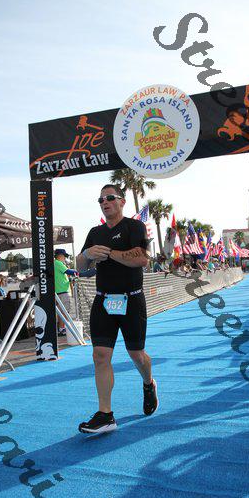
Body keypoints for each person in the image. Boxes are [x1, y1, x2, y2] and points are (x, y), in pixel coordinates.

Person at [76, 184, 157, 434]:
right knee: (100, 355)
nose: (105, 202)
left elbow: (141, 258)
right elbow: (80, 266)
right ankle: (105, 415)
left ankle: (148, 383)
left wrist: (110, 253)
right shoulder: (95, 232)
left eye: (110, 198)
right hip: (103, 301)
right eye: (101, 199)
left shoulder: (134, 227)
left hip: (131, 300)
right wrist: (87, 253)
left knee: (137, 355)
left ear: (122, 202)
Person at [54, 249, 78, 337]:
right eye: (64, 256)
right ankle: (61, 329)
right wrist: (80, 272)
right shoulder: (58, 263)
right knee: (64, 311)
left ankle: (61, 328)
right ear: (60, 255)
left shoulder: (55, 263)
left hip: (58, 291)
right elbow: (69, 272)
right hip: (62, 291)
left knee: (60, 312)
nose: (65, 258)